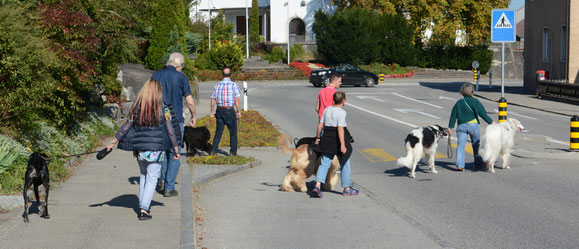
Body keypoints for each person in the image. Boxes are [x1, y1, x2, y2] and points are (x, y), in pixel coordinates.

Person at [106, 80, 180, 220]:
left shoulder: (137, 108)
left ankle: (143, 204)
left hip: (140, 149)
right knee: (152, 178)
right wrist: (176, 148)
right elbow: (170, 131)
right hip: (157, 149)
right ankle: (144, 209)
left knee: (144, 175)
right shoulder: (163, 108)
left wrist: (113, 141)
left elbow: (125, 127)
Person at [152, 52, 196, 197]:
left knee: (163, 151)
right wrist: (194, 115)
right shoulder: (181, 77)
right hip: (176, 120)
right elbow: (189, 100)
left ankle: (163, 180)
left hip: (158, 119)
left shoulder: (156, 75)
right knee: (175, 152)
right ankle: (169, 188)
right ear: (179, 65)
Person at [312, 91, 358, 198]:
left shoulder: (327, 109)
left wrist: (318, 138)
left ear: (333, 99)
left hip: (327, 140)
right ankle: (347, 188)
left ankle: (317, 186)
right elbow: (340, 129)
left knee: (324, 164)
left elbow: (320, 125)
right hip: (337, 141)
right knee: (345, 164)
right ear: (343, 101)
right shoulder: (342, 112)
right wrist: (342, 145)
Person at [447, 83, 496, 172]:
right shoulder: (475, 101)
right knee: (476, 144)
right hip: (473, 126)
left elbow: (453, 115)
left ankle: (460, 165)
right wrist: (491, 122)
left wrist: (450, 127)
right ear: (472, 91)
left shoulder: (459, 103)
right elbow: (483, 113)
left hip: (461, 126)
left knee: (460, 146)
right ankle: (478, 163)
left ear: (462, 91)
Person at [209, 67, 242, 156]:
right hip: (229, 110)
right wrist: (238, 111)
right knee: (233, 132)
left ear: (222, 75)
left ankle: (213, 150)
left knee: (219, 131)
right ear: (231, 75)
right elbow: (236, 100)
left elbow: (212, 99)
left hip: (219, 110)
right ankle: (233, 152)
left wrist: (212, 112)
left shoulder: (217, 85)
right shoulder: (233, 85)